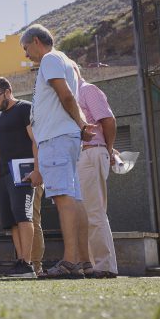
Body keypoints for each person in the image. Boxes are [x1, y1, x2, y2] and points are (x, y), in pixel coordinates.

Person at [20, 24, 95, 279]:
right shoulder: (66, 61)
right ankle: (85, 262)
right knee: (74, 199)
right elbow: (67, 98)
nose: (26, 54)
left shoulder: (51, 59)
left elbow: (65, 96)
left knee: (63, 199)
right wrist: (80, 126)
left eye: (26, 48)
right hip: (64, 137)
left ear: (37, 41)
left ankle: (70, 263)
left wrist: (81, 124)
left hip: (56, 139)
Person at [0, 77, 41, 278]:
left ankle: (28, 264)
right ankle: (20, 261)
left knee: (23, 214)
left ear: (8, 91)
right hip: (6, 173)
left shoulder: (25, 109)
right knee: (11, 220)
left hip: (24, 171)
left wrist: (37, 168)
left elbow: (36, 140)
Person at [74, 65, 119, 278]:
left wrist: (108, 151)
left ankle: (104, 266)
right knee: (86, 214)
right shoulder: (72, 97)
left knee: (94, 212)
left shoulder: (87, 90)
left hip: (91, 154)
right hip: (82, 157)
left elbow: (108, 120)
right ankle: (95, 265)